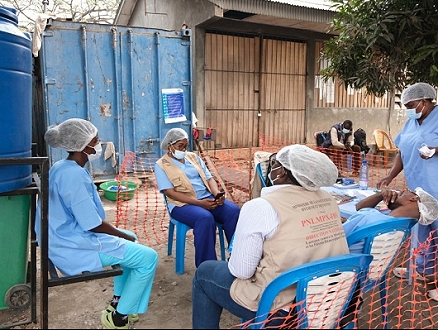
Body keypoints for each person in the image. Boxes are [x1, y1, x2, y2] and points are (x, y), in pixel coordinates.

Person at [192, 144, 350, 329]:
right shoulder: (329, 199)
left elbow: (241, 271)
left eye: (274, 164)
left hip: (283, 310)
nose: (271, 169)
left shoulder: (261, 206)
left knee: (204, 274)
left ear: (281, 171)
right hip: (330, 299)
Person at [35, 118, 159, 329]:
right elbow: (92, 224)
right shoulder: (73, 175)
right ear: (83, 146)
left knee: (133, 239)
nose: (99, 145)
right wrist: (123, 236)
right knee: (149, 258)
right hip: (73, 247)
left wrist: (124, 235)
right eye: (96, 141)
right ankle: (118, 318)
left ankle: (120, 302)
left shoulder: (62, 167)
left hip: (62, 238)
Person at [376, 82, 438, 299]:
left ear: (425, 101)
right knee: (420, 230)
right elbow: (402, 151)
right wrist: (390, 175)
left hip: (436, 188)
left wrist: (435, 149)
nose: (409, 109)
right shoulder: (411, 122)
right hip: (417, 188)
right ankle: (420, 270)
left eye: (412, 105)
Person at [154, 128, 240, 268]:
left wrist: (217, 194)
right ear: (170, 146)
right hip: (181, 205)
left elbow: (209, 178)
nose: (184, 148)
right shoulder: (161, 165)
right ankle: (207, 267)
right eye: (180, 146)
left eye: (185, 145)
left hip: (206, 198)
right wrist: (199, 204)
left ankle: (237, 257)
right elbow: (170, 192)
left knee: (233, 211)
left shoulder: (193, 158)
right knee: (204, 218)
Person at [343, 187, 438, 254]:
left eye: (408, 191)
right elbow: (360, 208)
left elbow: (334, 238)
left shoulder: (368, 217)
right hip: (360, 273)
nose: (402, 190)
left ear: (414, 198)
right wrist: (380, 195)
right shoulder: (403, 227)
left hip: (334, 265)